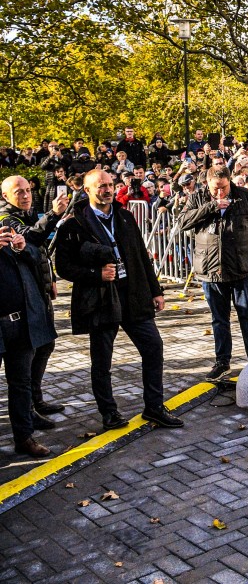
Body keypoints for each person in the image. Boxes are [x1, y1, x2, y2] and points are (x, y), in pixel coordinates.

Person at [54, 169, 183, 430]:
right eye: (101, 186)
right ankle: (109, 413)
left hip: (133, 294)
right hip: (101, 299)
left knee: (153, 347)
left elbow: (141, 256)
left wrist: (156, 290)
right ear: (87, 190)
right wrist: (96, 274)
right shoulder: (73, 225)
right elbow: (63, 267)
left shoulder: (124, 216)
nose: (107, 190)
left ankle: (154, 407)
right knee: (102, 360)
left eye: (110, 185)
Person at [176, 166, 248, 380]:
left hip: (241, 267)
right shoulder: (197, 197)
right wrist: (211, 207)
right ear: (207, 183)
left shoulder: (245, 196)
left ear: (230, 181)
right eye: (215, 188)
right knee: (219, 319)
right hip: (210, 268)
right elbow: (182, 223)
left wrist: (247, 250)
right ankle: (222, 362)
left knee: (247, 315)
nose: (220, 192)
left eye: (224, 188)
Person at [0, 176, 68, 422]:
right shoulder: (6, 219)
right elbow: (32, 239)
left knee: (46, 344)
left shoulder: (27, 213)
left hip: (39, 290)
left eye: (28, 190)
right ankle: (27, 409)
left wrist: (50, 280)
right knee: (30, 352)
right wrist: (53, 214)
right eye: (19, 192)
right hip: (23, 297)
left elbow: (41, 253)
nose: (26, 195)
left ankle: (35, 400)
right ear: (5, 196)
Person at [0, 222, 57, 456]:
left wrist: (21, 248)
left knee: (21, 383)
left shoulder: (5, 227)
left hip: (20, 323)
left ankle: (24, 437)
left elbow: (36, 257)